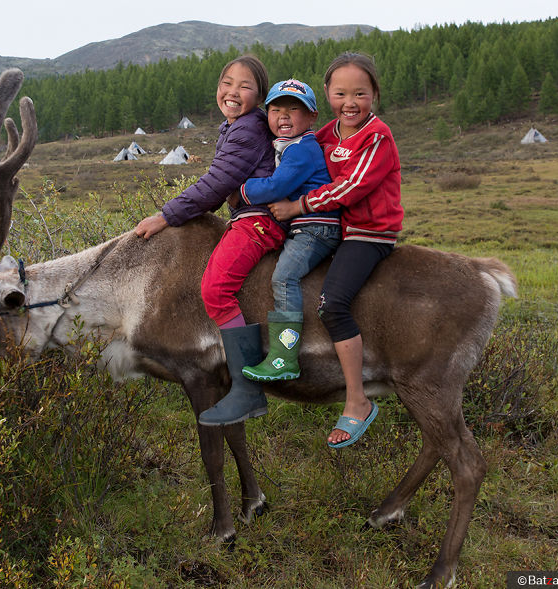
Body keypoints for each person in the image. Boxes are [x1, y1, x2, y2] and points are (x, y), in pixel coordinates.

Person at [135, 55, 282, 427]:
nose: (233, 92)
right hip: (250, 216)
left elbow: (216, 186)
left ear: (260, 96)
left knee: (216, 289)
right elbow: (221, 187)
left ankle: (248, 390)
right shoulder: (235, 125)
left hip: (258, 221)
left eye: (245, 86)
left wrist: (165, 215)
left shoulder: (248, 129)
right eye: (226, 83)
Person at [269, 53, 403, 449]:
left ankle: (357, 399)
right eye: (341, 92)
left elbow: (353, 187)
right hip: (335, 230)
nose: (350, 102)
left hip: (368, 232)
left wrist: (298, 206)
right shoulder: (324, 135)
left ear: (374, 95)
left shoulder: (377, 136)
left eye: (360, 93)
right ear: (327, 93)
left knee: (332, 303)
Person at [226, 78, 340, 384]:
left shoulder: (302, 149)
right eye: (276, 110)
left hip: (316, 228)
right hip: (306, 226)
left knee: (284, 277)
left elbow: (278, 186)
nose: (284, 117)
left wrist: (242, 189)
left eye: (294, 110)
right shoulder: (288, 146)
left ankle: (284, 357)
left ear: (313, 117)